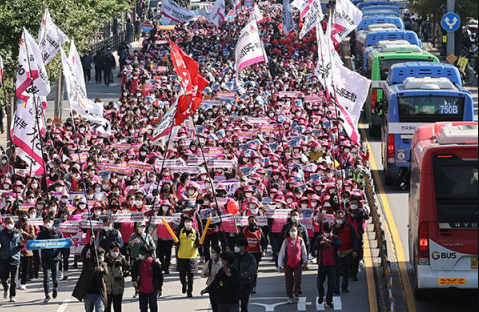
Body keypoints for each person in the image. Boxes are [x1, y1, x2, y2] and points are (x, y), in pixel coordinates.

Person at [72, 239, 108, 312]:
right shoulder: (87, 262)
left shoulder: (103, 264)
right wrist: (89, 243)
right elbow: (83, 253)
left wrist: (102, 270)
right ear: (95, 256)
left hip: (99, 293)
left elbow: (106, 272)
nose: (102, 257)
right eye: (100, 256)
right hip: (88, 293)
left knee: (99, 310)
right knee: (88, 310)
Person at [313, 222, 342, 308]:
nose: (327, 232)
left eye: (329, 231)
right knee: (320, 282)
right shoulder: (319, 238)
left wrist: (331, 243)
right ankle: (321, 295)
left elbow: (339, 245)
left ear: (332, 230)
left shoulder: (335, 238)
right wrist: (320, 244)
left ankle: (329, 300)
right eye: (326, 231)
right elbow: (314, 247)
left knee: (331, 284)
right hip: (322, 264)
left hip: (332, 264)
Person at [278, 225, 308, 304]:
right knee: (289, 282)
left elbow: (304, 252)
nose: (293, 232)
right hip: (288, 264)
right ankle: (289, 297)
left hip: (297, 263)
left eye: (294, 230)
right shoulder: (286, 241)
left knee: (298, 280)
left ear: (298, 231)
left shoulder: (300, 240)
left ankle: (295, 292)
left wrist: (305, 261)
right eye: (291, 231)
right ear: (289, 232)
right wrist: (280, 264)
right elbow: (282, 253)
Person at [37, 215, 63, 302]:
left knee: (55, 277)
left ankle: (55, 287)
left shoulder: (58, 233)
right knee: (46, 277)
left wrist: (69, 243)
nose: (48, 223)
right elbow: (36, 243)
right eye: (46, 221)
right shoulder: (41, 233)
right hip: (45, 258)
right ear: (43, 223)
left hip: (55, 258)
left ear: (53, 222)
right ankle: (47, 294)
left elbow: (63, 244)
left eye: (50, 221)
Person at [131, 245, 163, 312]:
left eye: (142, 254)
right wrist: (134, 280)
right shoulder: (138, 262)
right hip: (142, 289)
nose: (140, 255)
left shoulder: (154, 263)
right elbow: (133, 271)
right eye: (140, 253)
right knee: (143, 308)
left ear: (147, 254)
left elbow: (160, 277)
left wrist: (159, 288)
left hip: (153, 289)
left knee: (153, 307)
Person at [333, 210, 358, 294]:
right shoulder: (334, 227)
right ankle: (336, 288)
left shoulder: (349, 226)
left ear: (344, 218)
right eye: (337, 218)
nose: (339, 219)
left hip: (347, 252)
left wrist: (355, 250)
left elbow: (354, 238)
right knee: (336, 271)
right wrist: (336, 229)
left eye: (341, 217)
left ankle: (344, 286)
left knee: (346, 271)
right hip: (337, 253)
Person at [0, 216, 24, 302]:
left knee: (14, 279)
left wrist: (21, 244)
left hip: (15, 258)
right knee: (3, 277)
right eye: (8, 223)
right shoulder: (1, 233)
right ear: (5, 224)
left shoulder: (18, 232)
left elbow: (22, 244)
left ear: (14, 223)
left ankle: (12, 296)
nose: (10, 224)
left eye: (11, 223)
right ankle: (6, 287)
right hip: (4, 257)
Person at [176, 215, 200, 298]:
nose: (188, 223)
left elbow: (198, 244)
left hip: (191, 257)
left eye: (189, 221)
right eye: (186, 221)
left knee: (191, 276)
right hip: (181, 256)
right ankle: (183, 284)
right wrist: (176, 242)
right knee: (182, 275)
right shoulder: (180, 232)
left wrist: (200, 243)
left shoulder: (195, 232)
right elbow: (176, 243)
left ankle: (189, 291)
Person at [242, 216, 266, 294]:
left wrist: (264, 250)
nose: (251, 222)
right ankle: (246, 285)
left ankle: (253, 286)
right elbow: (241, 240)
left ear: (256, 221)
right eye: (250, 221)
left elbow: (264, 241)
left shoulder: (259, 231)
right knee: (245, 270)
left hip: (256, 253)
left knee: (254, 271)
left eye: (253, 221)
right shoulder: (245, 230)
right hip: (247, 253)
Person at [232, 237, 256, 312]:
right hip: (233, 285)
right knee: (233, 306)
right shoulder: (233, 256)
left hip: (245, 285)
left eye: (238, 246)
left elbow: (251, 272)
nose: (236, 247)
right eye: (235, 245)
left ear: (243, 247)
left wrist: (239, 275)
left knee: (244, 306)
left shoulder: (250, 258)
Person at [105, 242, 130, 312]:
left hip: (118, 287)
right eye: (114, 251)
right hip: (108, 287)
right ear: (110, 250)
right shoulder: (105, 259)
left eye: (117, 251)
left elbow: (128, 268)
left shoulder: (122, 259)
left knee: (117, 307)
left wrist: (125, 272)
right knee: (107, 308)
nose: (116, 252)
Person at [201, 245, 223, 312]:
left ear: (218, 254)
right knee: (213, 304)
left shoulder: (222, 262)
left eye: (214, 252)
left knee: (220, 304)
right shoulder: (209, 263)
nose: (212, 254)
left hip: (220, 287)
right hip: (211, 287)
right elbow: (202, 274)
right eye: (211, 252)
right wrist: (205, 274)